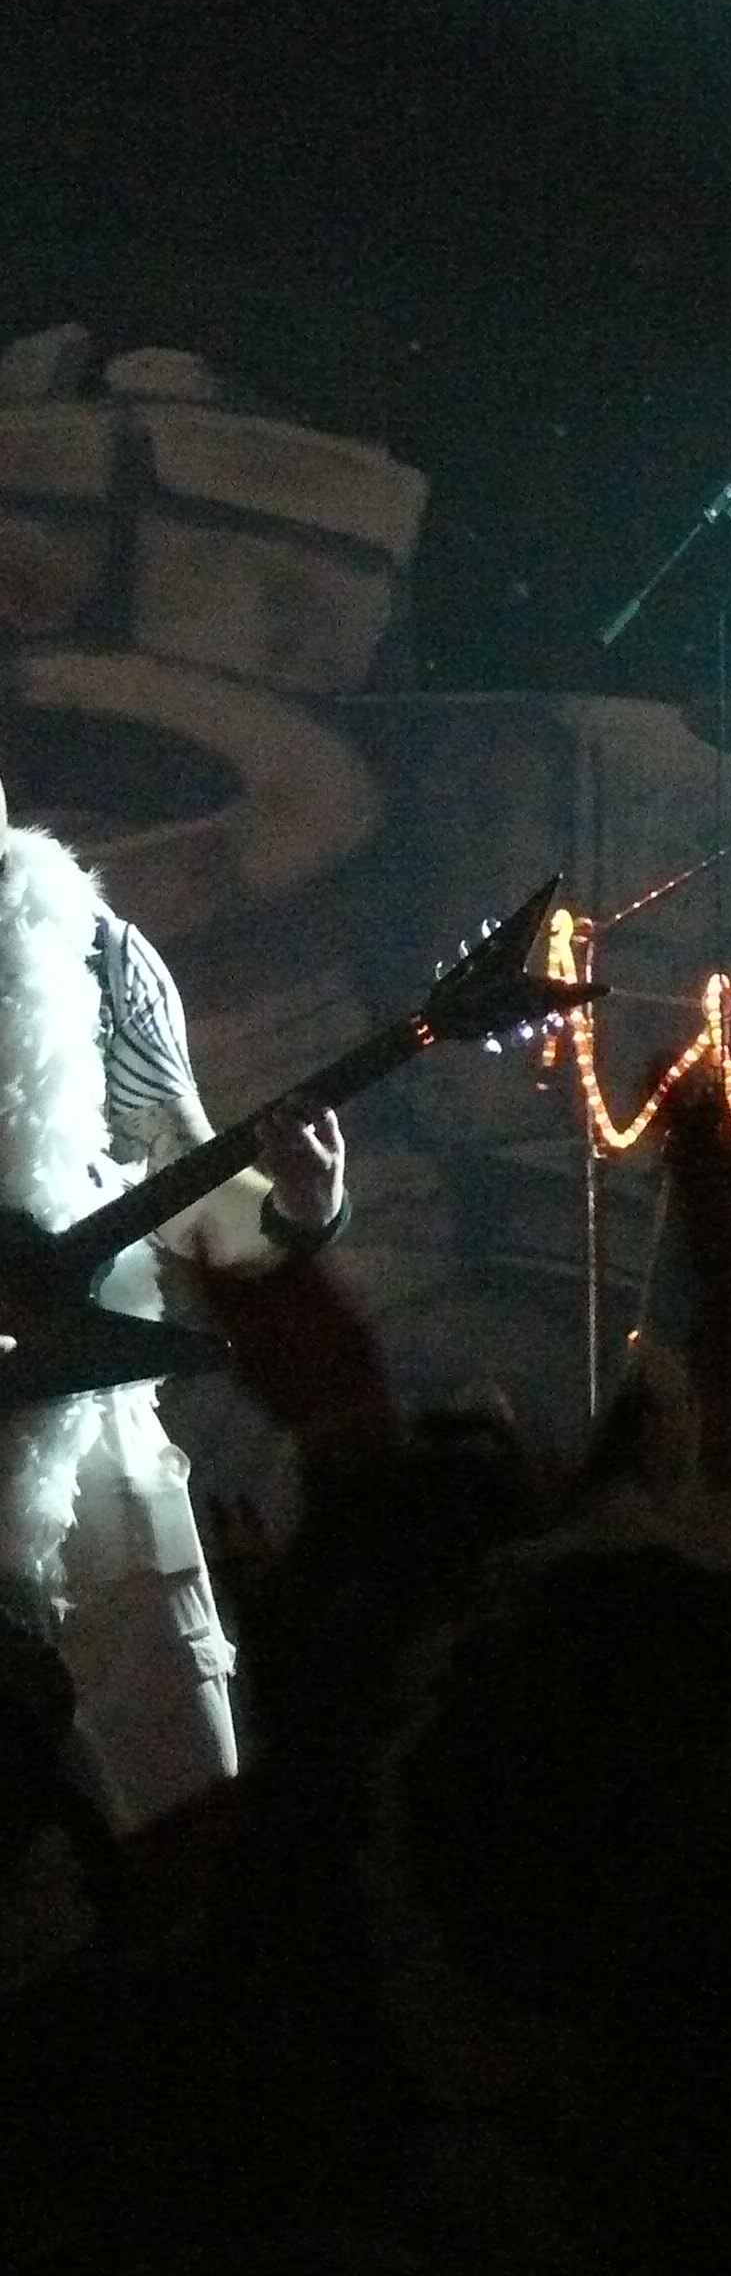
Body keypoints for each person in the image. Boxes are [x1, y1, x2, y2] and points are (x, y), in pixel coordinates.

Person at [0, 781, 346, 1836]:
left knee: (187, 1802)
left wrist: (295, 1207)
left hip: (93, 1440)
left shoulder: (99, 957)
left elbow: (183, 1178)